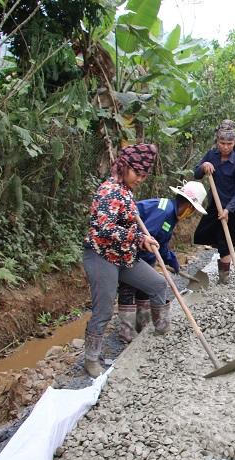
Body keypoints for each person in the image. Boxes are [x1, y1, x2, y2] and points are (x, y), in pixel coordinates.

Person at [82, 144, 169, 378]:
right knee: (103, 310)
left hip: (123, 255)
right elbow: (104, 228)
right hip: (101, 256)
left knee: (158, 284)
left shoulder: (126, 190)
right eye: (138, 174)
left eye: (144, 175)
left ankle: (159, 331)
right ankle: (91, 359)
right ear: (125, 166)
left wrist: (141, 239)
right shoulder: (109, 191)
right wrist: (137, 237)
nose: (141, 179)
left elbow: (128, 224)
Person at [116, 181, 207, 343]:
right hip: (126, 250)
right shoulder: (164, 211)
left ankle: (142, 325)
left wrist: (172, 261)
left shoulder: (171, 215)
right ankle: (126, 333)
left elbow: (161, 244)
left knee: (145, 288)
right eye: (192, 211)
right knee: (129, 289)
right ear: (188, 206)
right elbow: (146, 238)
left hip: (142, 254)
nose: (190, 215)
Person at [192, 120, 235, 284]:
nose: (225, 147)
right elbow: (196, 174)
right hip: (215, 205)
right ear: (217, 142)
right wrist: (203, 166)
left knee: (224, 242)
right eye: (222, 143)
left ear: (234, 143)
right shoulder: (211, 155)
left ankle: (224, 279)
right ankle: (233, 248)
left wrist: (228, 210)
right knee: (201, 235)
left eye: (229, 143)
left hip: (233, 208)